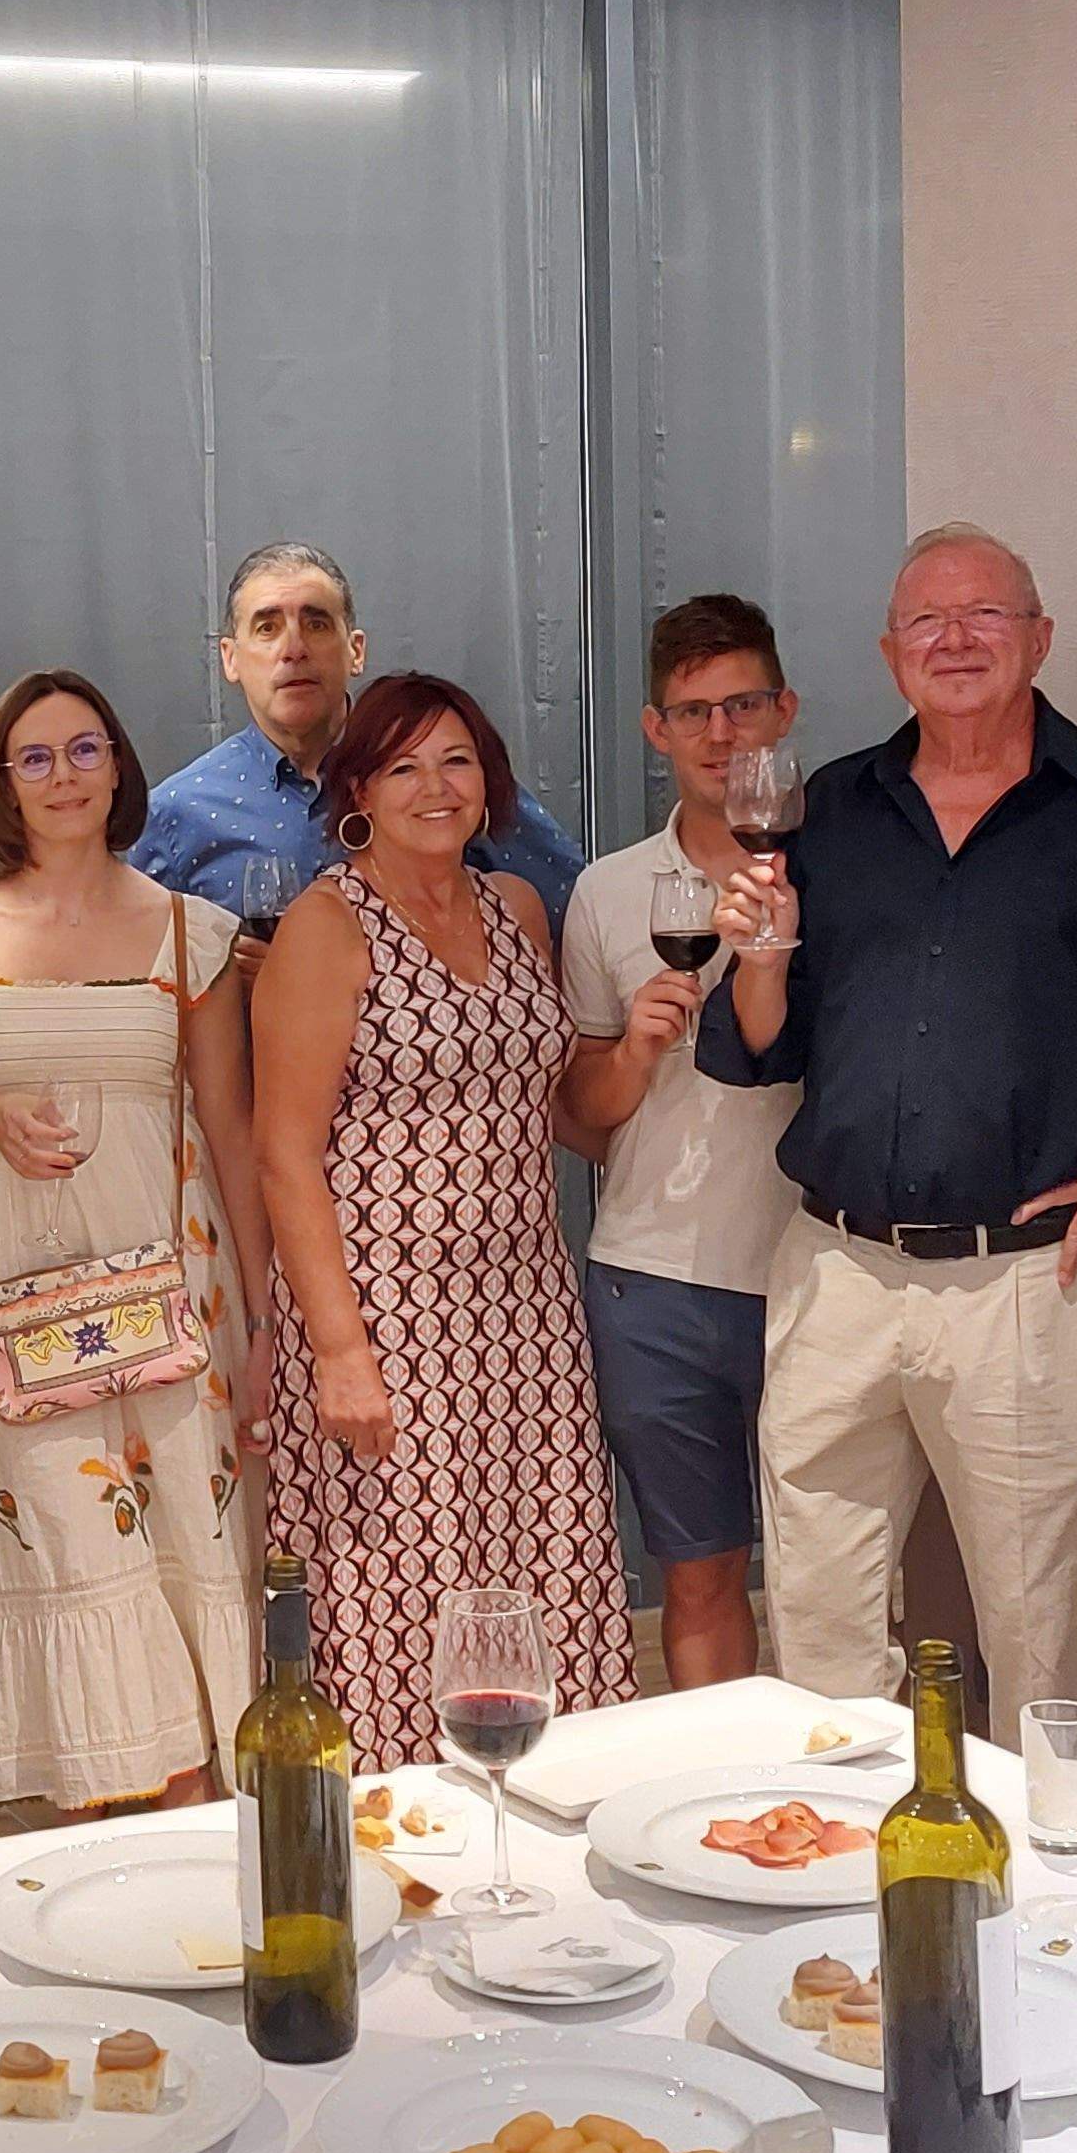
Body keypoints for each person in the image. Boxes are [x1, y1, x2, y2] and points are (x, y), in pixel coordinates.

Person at [701, 528, 1077, 1718]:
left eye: (984, 617)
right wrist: (755, 953)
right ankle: (840, 1883)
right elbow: (761, 1047)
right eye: (926, 623)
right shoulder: (830, 809)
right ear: (890, 653)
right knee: (816, 1629)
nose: (953, 641)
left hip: (1025, 1286)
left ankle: (1028, 1897)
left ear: (1039, 639)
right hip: (832, 1272)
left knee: (1035, 1640)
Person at [0, 668, 270, 1813]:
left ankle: (199, 1886)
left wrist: (262, 1317)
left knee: (187, 1577)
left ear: (119, 766)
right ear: (0, 781)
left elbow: (231, 1131)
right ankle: (95, 1880)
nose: (62, 776)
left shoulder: (190, 934)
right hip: (14, 1315)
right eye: (35, 757)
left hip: (180, 1311)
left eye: (84, 749)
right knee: (72, 1561)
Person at [252, 669, 635, 1767]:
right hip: (384, 1315)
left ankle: (545, 1846)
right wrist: (337, 1352)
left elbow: (556, 1106)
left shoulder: (515, 908)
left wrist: (643, 1050)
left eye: (456, 760)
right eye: (404, 765)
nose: (435, 785)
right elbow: (285, 1153)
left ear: (489, 781)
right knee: (399, 1582)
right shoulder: (330, 926)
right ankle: (402, 1860)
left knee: (536, 1567)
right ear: (358, 788)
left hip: (523, 1315)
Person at [554, 594, 806, 1687]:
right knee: (698, 1577)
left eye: (742, 705)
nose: (721, 736)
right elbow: (575, 1113)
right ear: (655, 730)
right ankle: (727, 1809)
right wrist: (635, 1052)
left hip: (821, 1267)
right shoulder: (608, 892)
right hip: (652, 1282)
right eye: (694, 712)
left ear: (782, 712)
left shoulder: (840, 868)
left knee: (829, 1575)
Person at [134, 541, 585, 934]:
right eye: (267, 627)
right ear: (230, 660)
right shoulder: (178, 812)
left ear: (356, 651)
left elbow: (577, 915)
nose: (294, 649)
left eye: (316, 623)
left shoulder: (443, 776)